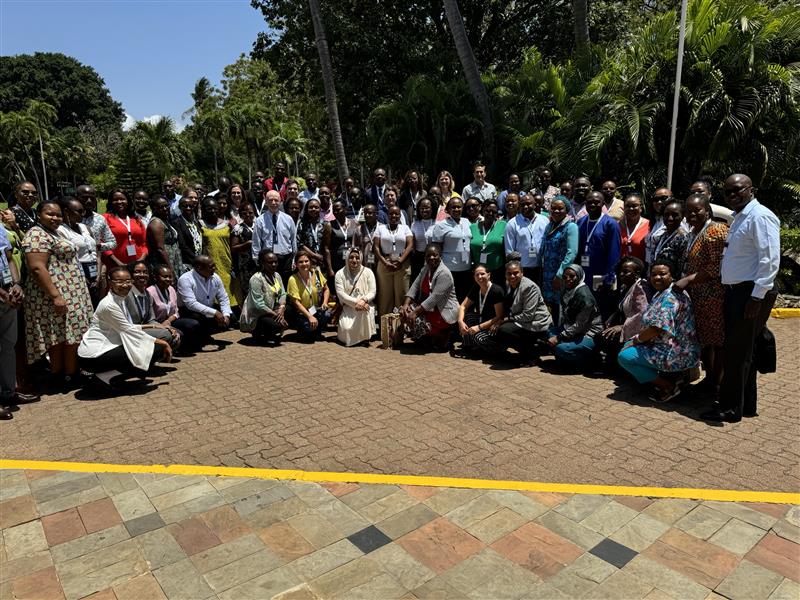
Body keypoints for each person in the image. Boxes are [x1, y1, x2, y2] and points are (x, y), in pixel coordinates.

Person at [701, 174, 780, 423]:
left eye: (737, 190)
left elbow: (769, 260)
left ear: (751, 189)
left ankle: (729, 408)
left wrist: (756, 297)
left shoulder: (760, 216)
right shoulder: (739, 217)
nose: (732, 195)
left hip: (751, 292)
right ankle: (746, 405)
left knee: (736, 351)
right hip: (740, 291)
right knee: (746, 350)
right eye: (727, 192)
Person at [23, 200, 92, 389]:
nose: (55, 218)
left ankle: (66, 374)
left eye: (58, 215)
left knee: (67, 336)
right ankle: (64, 376)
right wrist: (55, 296)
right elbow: (37, 268)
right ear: (39, 215)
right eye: (50, 214)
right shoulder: (36, 234)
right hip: (53, 296)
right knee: (61, 337)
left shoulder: (54, 232)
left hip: (70, 294)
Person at [618, 258, 700, 402]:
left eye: (662, 274)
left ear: (672, 276)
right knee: (628, 346)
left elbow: (656, 328)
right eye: (654, 274)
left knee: (625, 357)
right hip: (671, 346)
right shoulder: (661, 292)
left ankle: (669, 386)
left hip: (676, 352)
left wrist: (637, 339)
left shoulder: (670, 298)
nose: (657, 278)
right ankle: (671, 377)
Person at [79, 267, 172, 388]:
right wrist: (164, 343)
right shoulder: (108, 305)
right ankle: (103, 378)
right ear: (110, 282)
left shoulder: (119, 299)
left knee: (147, 347)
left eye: (128, 281)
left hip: (106, 349)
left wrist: (153, 325)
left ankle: (110, 376)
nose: (125, 285)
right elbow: (129, 331)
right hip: (93, 356)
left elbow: (128, 326)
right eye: (119, 281)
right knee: (155, 348)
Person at [674, 193, 729, 398]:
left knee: (717, 341)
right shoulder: (694, 231)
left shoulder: (715, 230)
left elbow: (717, 267)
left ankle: (719, 383)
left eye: (697, 210)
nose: (692, 214)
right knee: (705, 340)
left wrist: (688, 280)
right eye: (688, 211)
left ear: (707, 210)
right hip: (699, 298)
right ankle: (710, 380)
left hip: (713, 297)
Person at [0, 226, 36, 420]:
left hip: (8, 296)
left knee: (8, 346)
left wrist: (15, 284)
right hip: (3, 295)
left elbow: (7, 257)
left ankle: (8, 393)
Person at [401, 244, 459, 351]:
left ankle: (442, 335)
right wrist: (406, 304)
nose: (431, 258)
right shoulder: (426, 268)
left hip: (443, 311)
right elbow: (415, 286)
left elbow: (434, 298)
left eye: (435, 255)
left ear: (440, 256)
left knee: (413, 315)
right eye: (428, 256)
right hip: (430, 309)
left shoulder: (444, 274)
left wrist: (415, 312)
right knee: (403, 311)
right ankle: (429, 336)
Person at [493, 260, 552, 363]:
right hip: (521, 320)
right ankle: (528, 347)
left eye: (515, 273)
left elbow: (528, 315)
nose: (512, 276)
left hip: (536, 322)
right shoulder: (509, 284)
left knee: (504, 330)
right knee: (498, 329)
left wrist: (506, 319)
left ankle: (532, 354)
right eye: (509, 273)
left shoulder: (529, 287)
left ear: (522, 273)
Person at [596, 257, 652, 367]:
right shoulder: (626, 286)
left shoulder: (640, 287)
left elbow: (641, 315)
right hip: (628, 326)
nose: (621, 274)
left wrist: (621, 327)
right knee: (601, 335)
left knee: (603, 337)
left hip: (638, 331)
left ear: (637, 272)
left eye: (626, 271)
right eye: (620, 271)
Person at [576, 191, 621, 316]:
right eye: (589, 202)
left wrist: (609, 278)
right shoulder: (580, 222)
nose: (593, 204)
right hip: (584, 273)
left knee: (600, 307)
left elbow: (614, 254)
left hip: (601, 274)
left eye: (596, 202)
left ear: (603, 204)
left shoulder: (610, 224)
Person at [547, 264, 603, 364]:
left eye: (572, 276)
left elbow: (580, 325)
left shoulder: (585, 297)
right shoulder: (566, 289)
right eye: (565, 277)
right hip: (572, 328)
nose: (568, 279)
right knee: (549, 333)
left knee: (561, 348)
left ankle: (591, 358)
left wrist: (559, 338)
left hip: (589, 332)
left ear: (580, 276)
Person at [176, 255, 232, 349]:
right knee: (196, 321)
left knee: (230, 317)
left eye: (214, 265)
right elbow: (191, 304)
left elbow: (223, 298)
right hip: (188, 311)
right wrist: (215, 313)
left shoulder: (215, 277)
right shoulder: (185, 279)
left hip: (207, 309)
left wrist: (226, 315)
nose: (214, 268)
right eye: (211, 267)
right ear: (199, 268)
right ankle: (191, 341)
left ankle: (204, 335)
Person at [540, 196, 579, 321]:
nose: (556, 211)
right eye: (553, 208)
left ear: (566, 210)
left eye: (560, 208)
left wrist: (560, 274)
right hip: (547, 274)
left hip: (560, 275)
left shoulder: (570, 227)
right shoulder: (549, 225)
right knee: (549, 306)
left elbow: (571, 253)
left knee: (561, 307)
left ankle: (560, 334)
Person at [126, 261, 181, 349]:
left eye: (145, 272)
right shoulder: (126, 294)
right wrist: (159, 327)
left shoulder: (147, 294)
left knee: (174, 333)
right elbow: (126, 325)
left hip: (144, 328)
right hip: (130, 331)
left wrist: (166, 327)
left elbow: (151, 320)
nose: (142, 275)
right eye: (137, 272)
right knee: (166, 335)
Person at [57, 198, 101, 306]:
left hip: (95, 272)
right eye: (79, 211)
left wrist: (99, 275)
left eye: (84, 211)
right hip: (78, 272)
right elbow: (67, 257)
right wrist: (81, 276)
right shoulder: (61, 231)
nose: (83, 214)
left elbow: (97, 251)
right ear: (66, 211)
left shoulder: (85, 227)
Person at [240, 250, 288, 345]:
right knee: (276, 324)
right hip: (258, 314)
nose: (274, 264)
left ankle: (271, 331)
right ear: (262, 263)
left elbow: (282, 293)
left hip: (274, 309)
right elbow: (258, 304)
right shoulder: (256, 279)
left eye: (275, 262)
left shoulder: (277, 275)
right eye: (270, 262)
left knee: (290, 312)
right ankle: (260, 333)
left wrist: (282, 308)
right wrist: (276, 315)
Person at [430, 197, 473, 301]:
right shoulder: (441, 226)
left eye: (459, 207)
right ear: (447, 210)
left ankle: (462, 317)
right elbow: (437, 248)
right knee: (451, 299)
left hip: (466, 268)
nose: (456, 209)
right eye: (453, 207)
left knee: (464, 298)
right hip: (450, 268)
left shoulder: (467, 222)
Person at [147, 264, 200, 348]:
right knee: (179, 334)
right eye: (164, 277)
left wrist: (168, 321)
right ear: (155, 277)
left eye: (170, 277)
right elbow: (149, 316)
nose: (168, 279)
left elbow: (176, 311)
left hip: (170, 321)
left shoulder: (171, 289)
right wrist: (163, 325)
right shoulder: (150, 292)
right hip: (156, 324)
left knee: (193, 324)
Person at [252, 190, 298, 286]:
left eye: (276, 200)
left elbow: (293, 240)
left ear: (280, 201)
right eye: (270, 200)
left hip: (286, 258)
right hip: (268, 260)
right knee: (270, 286)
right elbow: (256, 241)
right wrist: (257, 260)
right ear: (266, 201)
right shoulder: (260, 220)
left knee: (285, 284)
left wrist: (294, 258)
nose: (273, 203)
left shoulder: (288, 219)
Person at [455, 265, 504, 354]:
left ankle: (497, 350)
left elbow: (499, 316)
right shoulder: (476, 287)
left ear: (489, 275)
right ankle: (470, 346)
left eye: (482, 274)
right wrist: (460, 322)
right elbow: (463, 306)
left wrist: (478, 327)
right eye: (477, 275)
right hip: (482, 318)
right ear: (474, 277)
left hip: (493, 324)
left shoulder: (496, 290)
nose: (479, 277)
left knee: (478, 337)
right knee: (467, 316)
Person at [374, 206, 413, 316]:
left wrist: (400, 261)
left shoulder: (405, 228)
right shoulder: (380, 228)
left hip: (402, 264)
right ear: (387, 215)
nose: (394, 216)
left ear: (400, 216)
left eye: (396, 214)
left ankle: (400, 327)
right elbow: (376, 247)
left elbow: (410, 245)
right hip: (385, 264)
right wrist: (384, 262)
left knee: (401, 295)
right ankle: (385, 328)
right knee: (385, 296)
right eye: (391, 214)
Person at [199, 197, 237, 310]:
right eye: (209, 208)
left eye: (215, 208)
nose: (213, 211)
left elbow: (232, 245)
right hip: (208, 266)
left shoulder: (228, 225)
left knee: (227, 292)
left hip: (225, 264)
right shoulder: (200, 224)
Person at [335, 248, 377, 347]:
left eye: (357, 258)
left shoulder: (368, 272)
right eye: (351, 257)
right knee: (346, 329)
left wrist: (363, 300)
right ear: (347, 259)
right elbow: (341, 295)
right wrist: (357, 302)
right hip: (348, 307)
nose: (354, 260)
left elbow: (372, 292)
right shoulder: (340, 274)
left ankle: (364, 339)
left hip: (365, 305)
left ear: (361, 259)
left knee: (364, 312)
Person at [286, 249, 331, 341]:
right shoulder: (293, 279)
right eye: (301, 262)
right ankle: (303, 331)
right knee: (308, 329)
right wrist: (309, 316)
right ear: (296, 264)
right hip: (300, 312)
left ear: (310, 262)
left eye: (306, 261)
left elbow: (326, 289)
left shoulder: (317, 273)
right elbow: (296, 302)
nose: (304, 264)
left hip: (314, 309)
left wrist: (325, 302)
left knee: (326, 314)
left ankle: (316, 331)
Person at [504, 194, 548, 282]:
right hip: (522, 270)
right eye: (522, 204)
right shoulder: (512, 223)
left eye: (528, 204)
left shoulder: (545, 220)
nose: (525, 207)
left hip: (541, 268)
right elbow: (509, 251)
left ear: (535, 204)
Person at [103, 189, 148, 268]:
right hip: (115, 266)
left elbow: (144, 244)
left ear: (128, 201)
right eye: (115, 200)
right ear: (110, 202)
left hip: (137, 265)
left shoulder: (136, 219)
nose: (119, 202)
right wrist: (118, 263)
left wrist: (141, 260)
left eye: (122, 199)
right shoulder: (106, 218)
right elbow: (103, 243)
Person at [470, 199, 506, 284]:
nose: (490, 214)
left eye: (494, 211)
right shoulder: (473, 227)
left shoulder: (503, 225)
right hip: (478, 272)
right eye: (488, 210)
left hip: (497, 271)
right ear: (483, 210)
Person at [146, 195, 184, 277]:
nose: (164, 209)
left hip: (173, 258)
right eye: (160, 207)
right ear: (154, 208)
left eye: (166, 206)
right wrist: (170, 269)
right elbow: (160, 249)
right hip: (164, 262)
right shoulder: (156, 223)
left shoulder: (165, 219)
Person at [650, 199, 687, 277]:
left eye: (675, 215)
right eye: (666, 214)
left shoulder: (683, 238)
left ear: (682, 216)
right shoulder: (662, 235)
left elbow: (683, 267)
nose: (670, 218)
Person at [78, 184, 116, 255]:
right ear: (76, 198)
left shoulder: (100, 219)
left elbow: (113, 243)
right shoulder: (69, 218)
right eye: (85, 198)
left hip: (94, 261)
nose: (89, 201)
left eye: (92, 198)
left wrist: (98, 246)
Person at [172, 189, 203, 273]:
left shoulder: (196, 222)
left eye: (191, 206)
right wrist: (196, 259)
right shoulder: (177, 223)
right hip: (188, 263)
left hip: (200, 261)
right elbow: (182, 245)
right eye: (185, 206)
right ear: (180, 207)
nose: (188, 208)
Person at [231, 202, 257, 300]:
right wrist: (246, 244)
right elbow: (233, 248)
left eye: (250, 212)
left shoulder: (259, 225)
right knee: (247, 290)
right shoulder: (238, 228)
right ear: (241, 214)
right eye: (244, 213)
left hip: (258, 263)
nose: (248, 215)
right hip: (245, 265)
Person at [297, 198, 332, 270]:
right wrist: (315, 256)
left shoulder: (325, 224)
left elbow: (327, 246)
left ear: (320, 209)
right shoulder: (302, 224)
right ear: (307, 209)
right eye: (311, 207)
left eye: (316, 207)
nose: (313, 209)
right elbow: (300, 243)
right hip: (307, 261)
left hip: (323, 260)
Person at [619, 193, 650, 263]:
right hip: (621, 271)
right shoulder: (616, 226)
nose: (631, 209)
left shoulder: (649, 226)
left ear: (641, 208)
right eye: (627, 206)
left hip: (641, 270)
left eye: (634, 206)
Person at [410, 198, 436, 281]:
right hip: (419, 258)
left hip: (434, 258)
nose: (424, 210)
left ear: (432, 208)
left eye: (427, 207)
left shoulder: (437, 223)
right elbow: (412, 243)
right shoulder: (415, 223)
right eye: (422, 208)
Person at [353, 204, 380, 271]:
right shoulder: (358, 230)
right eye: (365, 213)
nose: (367, 215)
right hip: (364, 266)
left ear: (376, 214)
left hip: (380, 265)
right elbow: (355, 248)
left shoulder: (382, 228)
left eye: (370, 213)